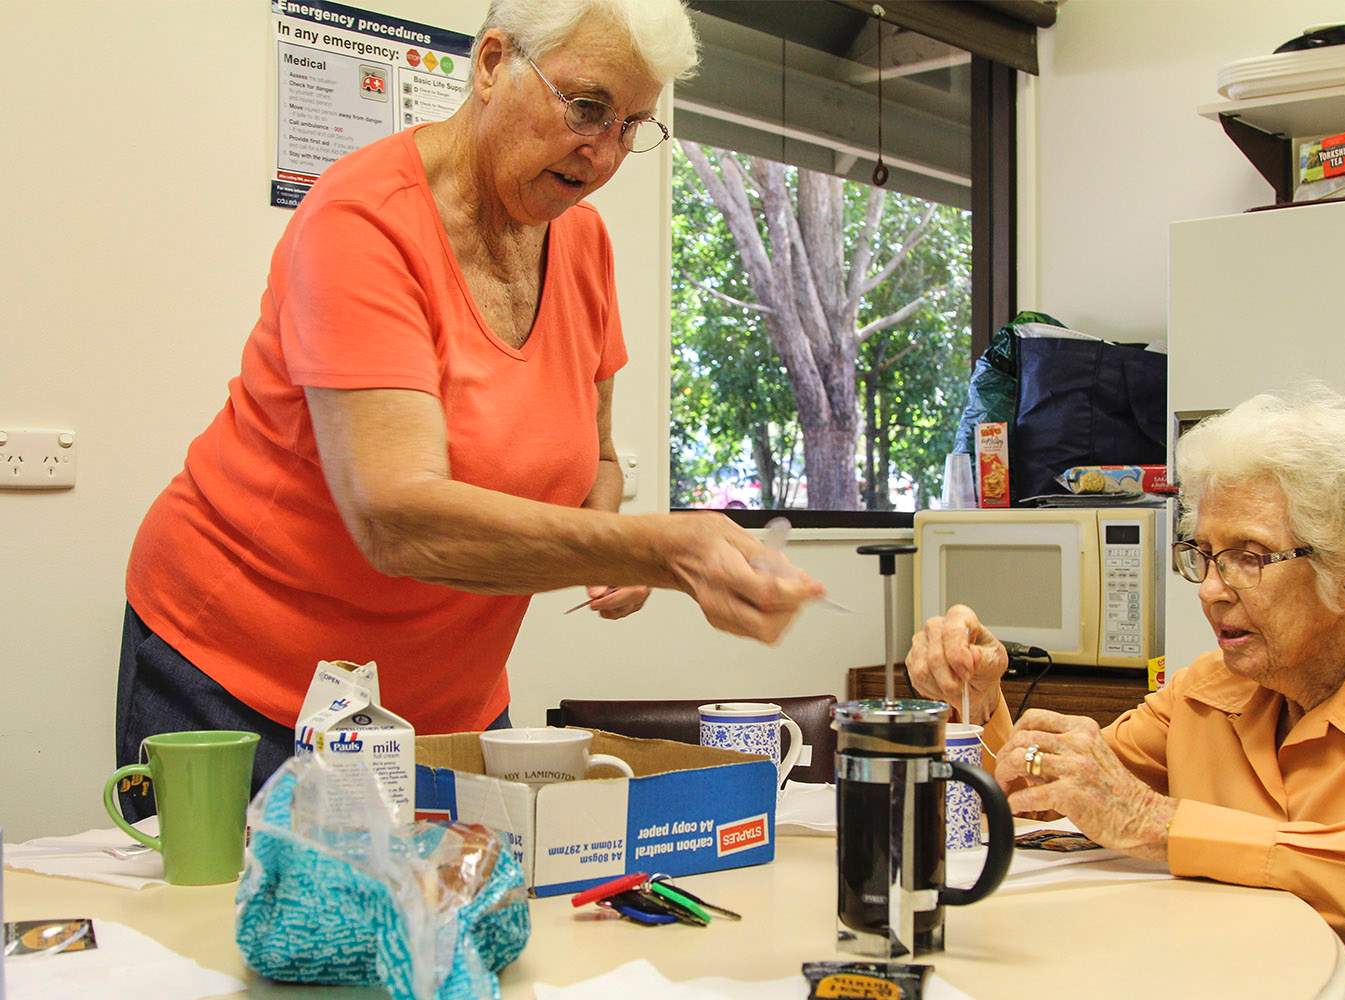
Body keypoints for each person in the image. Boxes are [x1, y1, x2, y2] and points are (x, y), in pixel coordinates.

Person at [118, 0, 823, 818]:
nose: (602, 152)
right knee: (253, 940)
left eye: (632, 125)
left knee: (473, 925)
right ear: (492, 63)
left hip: (446, 698)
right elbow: (395, 515)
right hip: (244, 673)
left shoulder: (583, 243)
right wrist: (656, 552)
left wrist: (608, 545)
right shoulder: (364, 221)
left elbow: (592, 457)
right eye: (587, 107)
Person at [906, 386, 1345, 998]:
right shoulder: (1210, 690)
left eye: (1250, 556)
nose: (1211, 589)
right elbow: (1050, 802)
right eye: (1204, 555)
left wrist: (1162, 824)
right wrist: (979, 697)